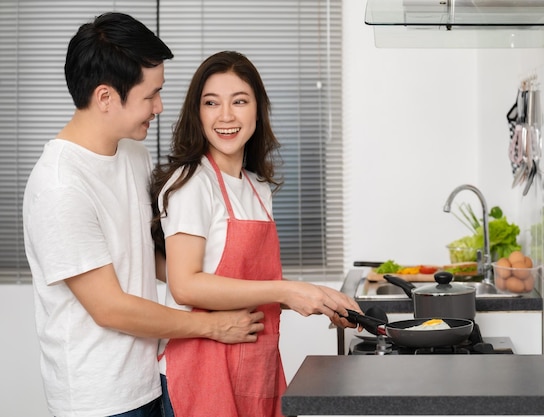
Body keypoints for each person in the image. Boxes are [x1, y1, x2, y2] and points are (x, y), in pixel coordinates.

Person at [22, 14, 265, 417]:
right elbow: (110, 307)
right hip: (98, 399)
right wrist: (213, 325)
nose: (159, 107)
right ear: (105, 98)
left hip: (150, 376)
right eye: (150, 95)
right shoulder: (60, 186)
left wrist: (222, 288)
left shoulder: (132, 153)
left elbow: (138, 253)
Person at [150, 50, 362, 417]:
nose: (226, 116)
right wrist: (286, 290)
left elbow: (244, 281)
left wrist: (318, 296)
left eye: (240, 101)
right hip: (202, 374)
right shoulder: (191, 184)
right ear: (196, 113)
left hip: (256, 368)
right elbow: (185, 285)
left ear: (257, 110)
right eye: (211, 103)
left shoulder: (256, 186)